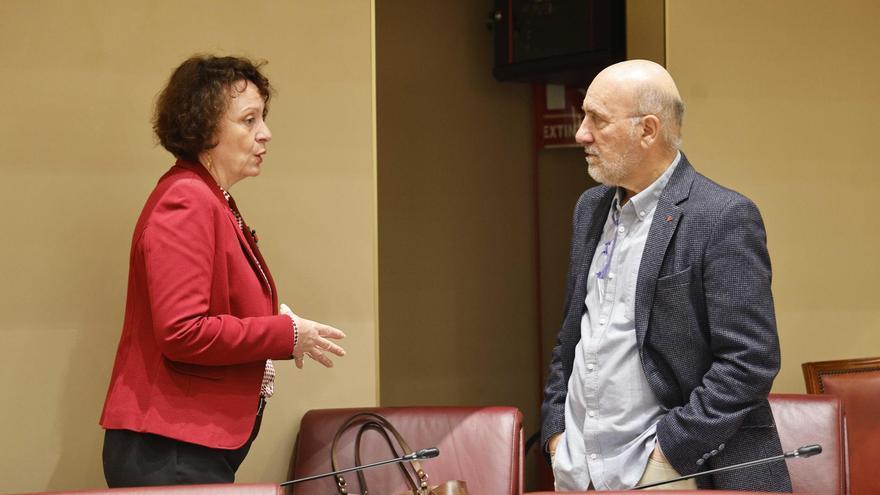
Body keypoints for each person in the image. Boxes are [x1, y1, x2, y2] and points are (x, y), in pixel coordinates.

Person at [540, 60, 792, 492]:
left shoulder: (722, 217)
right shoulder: (589, 209)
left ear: (648, 130)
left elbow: (750, 361)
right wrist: (556, 433)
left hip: (673, 471)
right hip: (579, 469)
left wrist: (668, 452)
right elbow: (573, 337)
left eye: (597, 119)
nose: (581, 133)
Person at [99, 55, 346, 487]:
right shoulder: (188, 200)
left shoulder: (209, 197)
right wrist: (285, 334)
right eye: (249, 120)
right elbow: (182, 331)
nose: (265, 133)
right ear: (205, 128)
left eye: (262, 118)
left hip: (184, 446)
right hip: (169, 447)